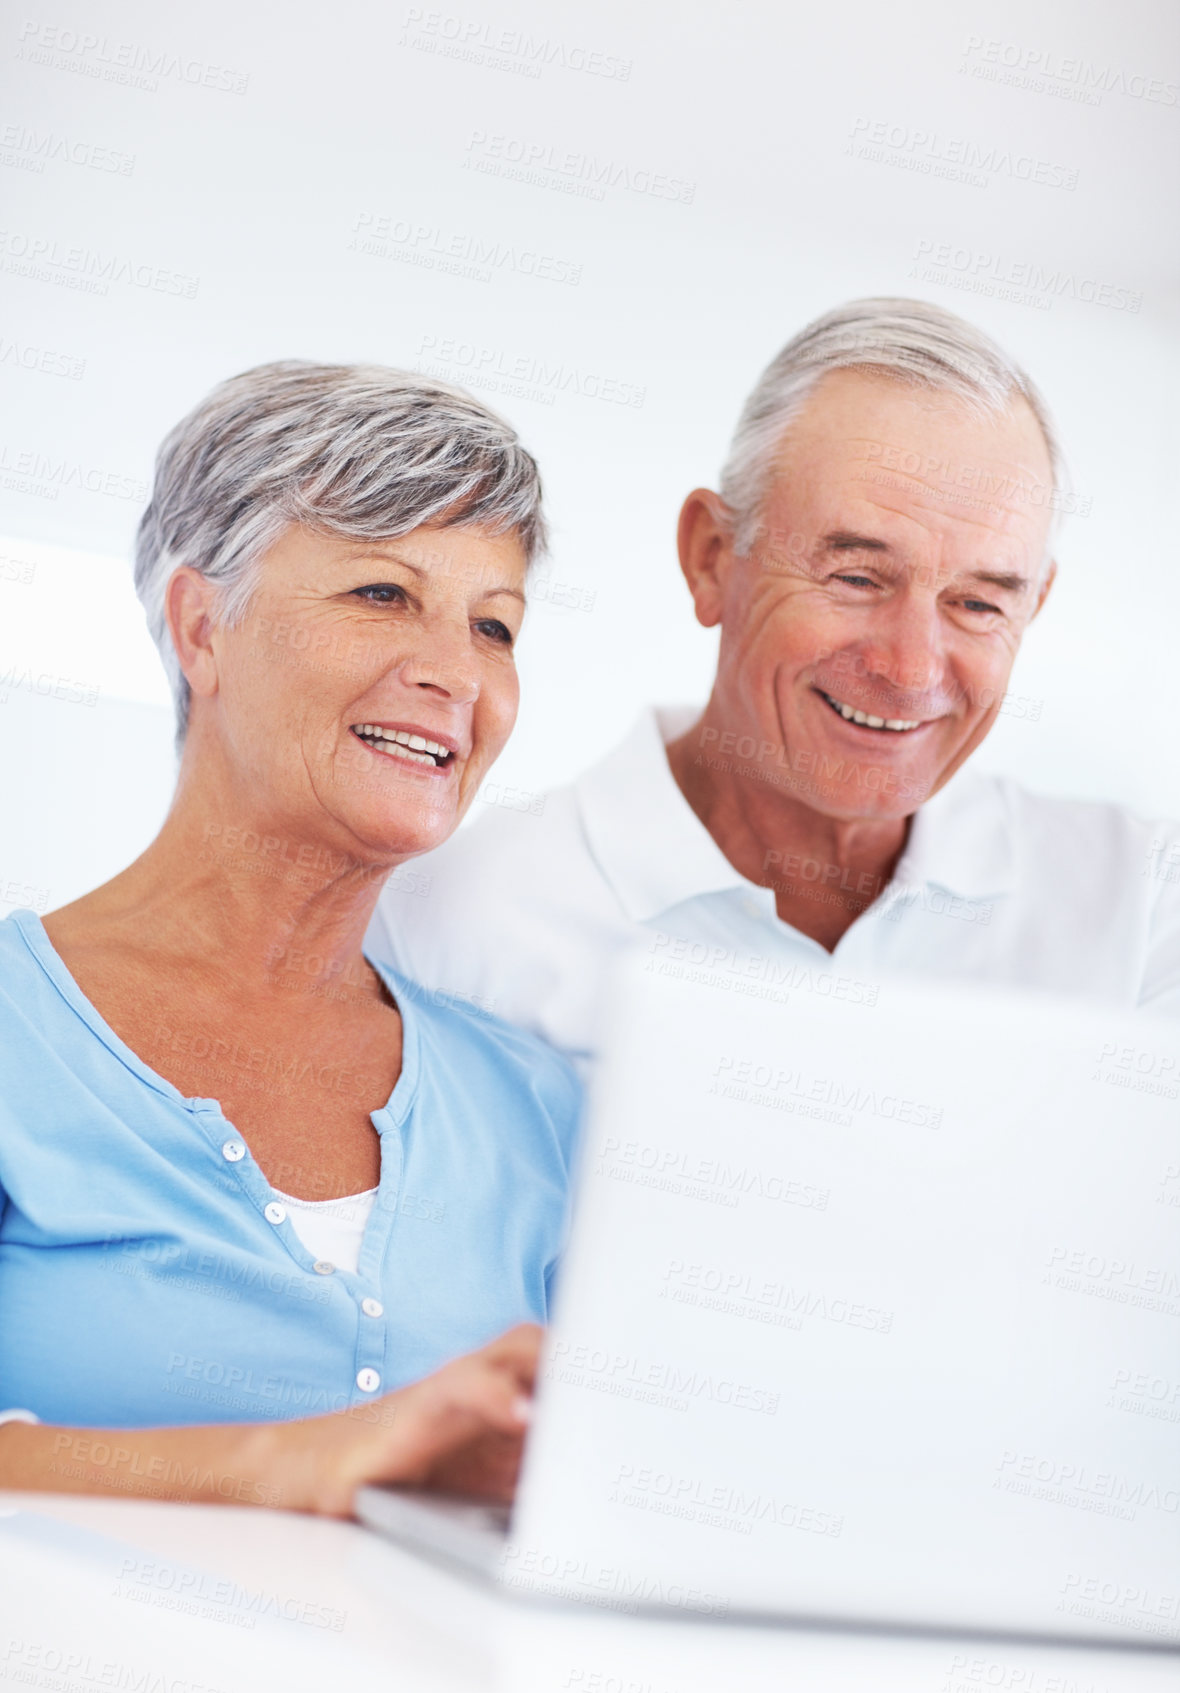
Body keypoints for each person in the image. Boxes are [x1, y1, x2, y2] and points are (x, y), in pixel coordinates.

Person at [0, 361, 579, 1515]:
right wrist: (300, 1459)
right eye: (380, 593)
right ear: (202, 625)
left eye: (494, 625)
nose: (454, 672)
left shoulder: (537, 1103)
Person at [369, 298, 1180, 1070]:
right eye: (857, 577)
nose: (911, 668)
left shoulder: (1140, 908)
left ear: (1033, 607)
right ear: (713, 557)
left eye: (976, 603)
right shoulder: (450, 922)